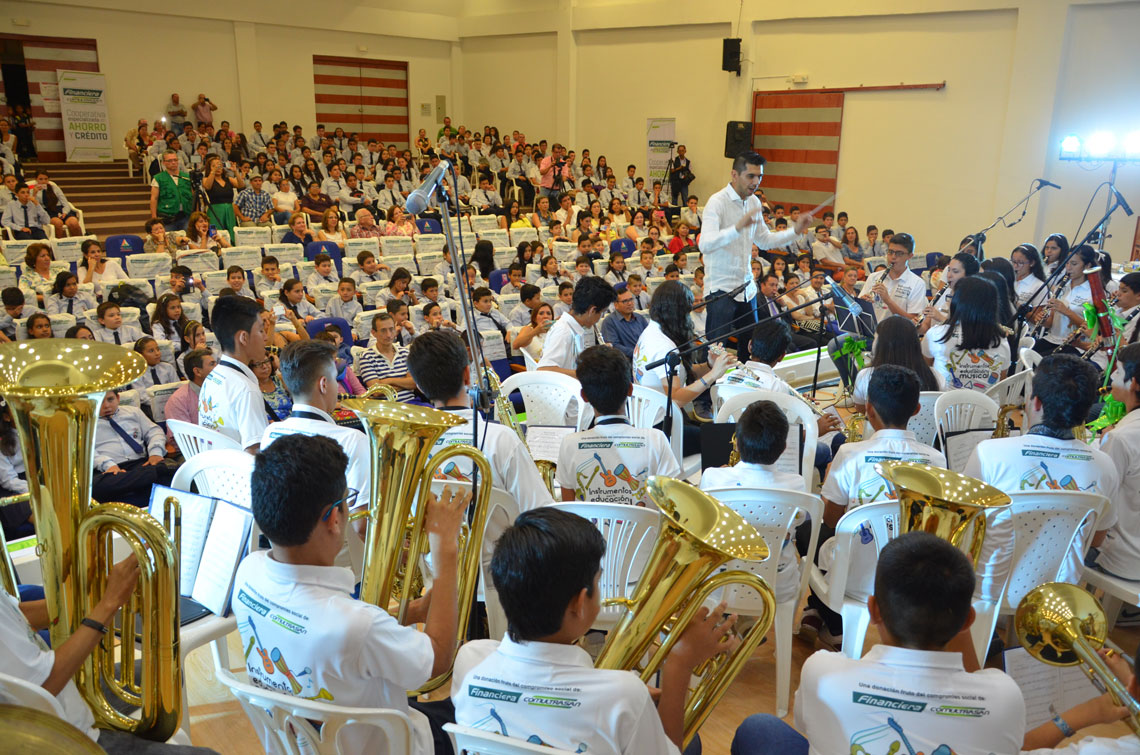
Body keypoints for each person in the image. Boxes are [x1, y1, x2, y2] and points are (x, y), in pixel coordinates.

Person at [231, 434, 468, 754]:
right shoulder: (357, 625)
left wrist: (411, 612)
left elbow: (333, 633)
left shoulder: (247, 573)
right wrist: (445, 548)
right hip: (396, 748)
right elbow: (438, 658)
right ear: (333, 518)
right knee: (470, 703)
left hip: (304, 742)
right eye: (347, 500)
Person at [452, 506, 733, 754]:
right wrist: (679, 665)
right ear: (579, 603)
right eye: (598, 581)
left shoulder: (471, 672)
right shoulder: (626, 695)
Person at [732, 532, 1025, 755]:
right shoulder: (1005, 696)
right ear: (968, 620)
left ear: (873, 610)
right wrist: (952, 598)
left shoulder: (822, 672)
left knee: (760, 729)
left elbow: (807, 728)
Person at [965, 354, 1120, 603]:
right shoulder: (1105, 465)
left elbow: (967, 524)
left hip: (987, 590)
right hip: (1056, 595)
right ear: (1086, 410)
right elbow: (1097, 538)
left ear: (1035, 403)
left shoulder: (988, 453)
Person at [407, 330, 551, 512]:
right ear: (467, 375)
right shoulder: (501, 439)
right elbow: (542, 512)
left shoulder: (409, 447)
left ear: (419, 386)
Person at [700, 152, 813, 363]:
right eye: (750, 176)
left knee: (752, 348)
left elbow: (765, 240)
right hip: (721, 289)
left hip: (746, 288)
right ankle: (709, 384)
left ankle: (748, 382)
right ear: (734, 174)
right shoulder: (717, 202)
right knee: (715, 351)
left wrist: (795, 230)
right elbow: (705, 244)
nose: (756, 182)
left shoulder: (753, 202)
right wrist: (737, 228)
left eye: (759, 176)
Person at [700, 400, 806, 603]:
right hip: (777, 588)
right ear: (784, 448)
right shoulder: (797, 484)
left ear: (737, 443)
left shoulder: (712, 477)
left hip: (720, 585)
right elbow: (799, 521)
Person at [556, 345, 679, 507]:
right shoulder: (656, 439)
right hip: (646, 524)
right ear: (630, 390)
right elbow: (671, 503)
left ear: (584, 396)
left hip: (588, 525)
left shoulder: (569, 443)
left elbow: (569, 509)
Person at [632, 281, 734, 415]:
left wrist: (709, 365)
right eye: (687, 312)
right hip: (659, 419)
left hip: (650, 413)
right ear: (677, 313)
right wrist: (713, 375)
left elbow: (680, 371)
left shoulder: (652, 330)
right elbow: (676, 399)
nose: (688, 317)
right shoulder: (663, 346)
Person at [1088, 343, 1140, 581]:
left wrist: (1108, 440)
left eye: (1118, 371)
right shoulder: (1122, 433)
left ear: (1134, 383)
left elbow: (1100, 502)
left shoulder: (1120, 438)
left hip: (1122, 556)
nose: (1112, 377)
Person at [198, 295, 268, 452]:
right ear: (244, 338)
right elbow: (254, 452)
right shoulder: (245, 390)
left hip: (214, 464)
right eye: (261, 330)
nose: (265, 337)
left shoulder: (213, 377)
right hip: (238, 466)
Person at [92, 389, 176, 508]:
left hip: (141, 464)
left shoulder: (133, 412)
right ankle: (155, 473)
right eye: (100, 401)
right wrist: (108, 465)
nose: (106, 406)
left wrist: (155, 453)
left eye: (110, 399)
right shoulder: (86, 422)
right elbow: (86, 452)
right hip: (110, 472)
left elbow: (154, 431)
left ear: (118, 398)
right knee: (96, 487)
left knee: (170, 479)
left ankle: (137, 486)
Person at [923, 276, 1010, 391]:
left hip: (944, 401)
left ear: (958, 303)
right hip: (987, 402)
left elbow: (925, 371)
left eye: (951, 298)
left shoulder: (936, 334)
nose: (948, 302)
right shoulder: (1001, 341)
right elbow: (1001, 381)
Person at [851, 317, 942, 412]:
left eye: (875, 339)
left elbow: (861, 409)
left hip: (881, 422)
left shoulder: (865, 376)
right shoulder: (935, 375)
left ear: (881, 346)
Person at [537, 276, 616, 377]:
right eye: (602, 312)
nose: (601, 316)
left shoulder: (574, 327)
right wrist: (586, 375)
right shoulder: (564, 331)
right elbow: (543, 370)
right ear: (592, 311)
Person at [1034, 244, 1098, 356]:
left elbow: (1091, 329)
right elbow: (1051, 323)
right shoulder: (1062, 287)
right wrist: (1043, 320)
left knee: (1041, 362)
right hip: (1052, 338)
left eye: (1074, 264)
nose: (1068, 268)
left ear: (1087, 265)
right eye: (1067, 263)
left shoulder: (1092, 294)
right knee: (1025, 355)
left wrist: (1066, 311)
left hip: (1074, 345)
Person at [355, 313, 416, 401]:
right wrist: (405, 383)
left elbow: (414, 383)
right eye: (383, 330)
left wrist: (389, 380)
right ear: (374, 333)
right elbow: (376, 391)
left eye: (391, 329)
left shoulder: (405, 352)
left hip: (412, 402)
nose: (388, 335)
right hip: (386, 407)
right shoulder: (366, 357)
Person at [163, 347, 215, 444]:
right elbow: (185, 439)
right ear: (197, 372)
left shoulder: (223, 391)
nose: (218, 368)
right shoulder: (178, 400)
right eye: (212, 364)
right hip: (197, 449)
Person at [149, 149, 193, 232]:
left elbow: (194, 196)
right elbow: (154, 199)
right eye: (169, 161)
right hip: (167, 217)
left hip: (186, 216)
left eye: (175, 160)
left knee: (188, 238)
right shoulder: (158, 178)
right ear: (163, 163)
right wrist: (154, 218)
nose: (173, 163)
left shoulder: (187, 177)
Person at [600, 283, 648, 360]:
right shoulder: (609, 322)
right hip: (625, 361)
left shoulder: (640, 318)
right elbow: (614, 346)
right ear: (616, 305)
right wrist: (637, 353)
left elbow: (649, 337)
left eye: (631, 299)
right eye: (625, 301)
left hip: (645, 357)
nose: (630, 303)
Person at [31, 170, 82, 237]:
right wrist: (34, 194)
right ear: (36, 179)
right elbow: (32, 205)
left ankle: (78, 241)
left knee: (73, 223)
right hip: (47, 211)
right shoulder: (32, 190)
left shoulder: (54, 188)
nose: (43, 181)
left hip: (59, 209)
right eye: (41, 179)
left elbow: (65, 202)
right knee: (58, 223)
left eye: (46, 179)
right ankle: (59, 242)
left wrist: (65, 212)